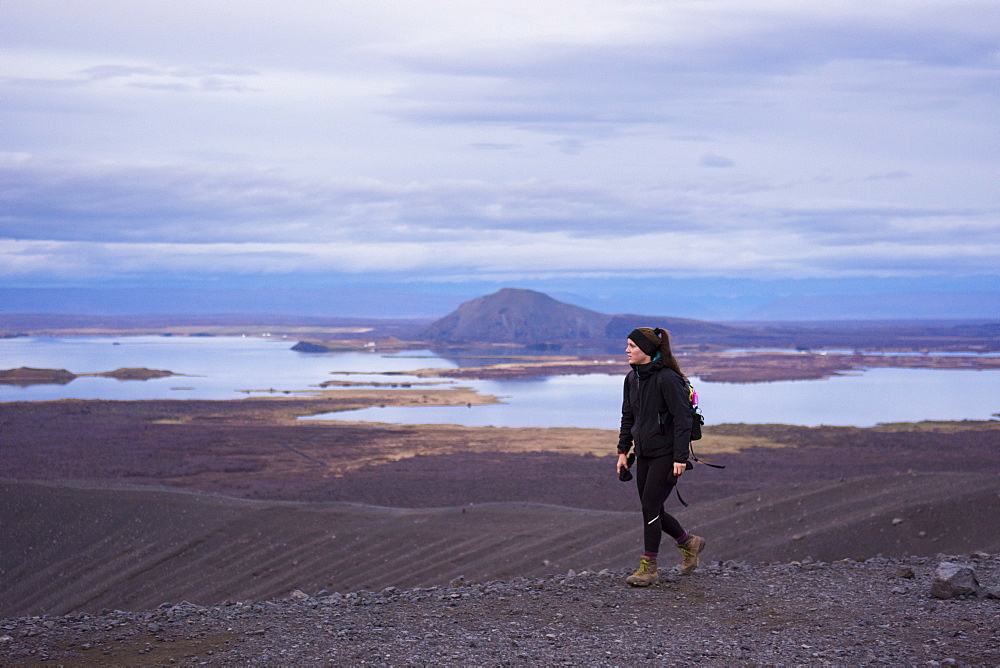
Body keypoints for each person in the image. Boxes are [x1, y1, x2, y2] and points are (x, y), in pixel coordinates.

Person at [616, 327, 705, 586]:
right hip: (644, 453)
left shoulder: (668, 379)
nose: (627, 350)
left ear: (647, 349)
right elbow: (627, 417)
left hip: (667, 455)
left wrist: (680, 458)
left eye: (632, 345)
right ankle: (689, 543)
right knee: (652, 507)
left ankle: (649, 568)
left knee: (650, 508)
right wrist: (623, 451)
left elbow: (682, 420)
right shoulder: (632, 379)